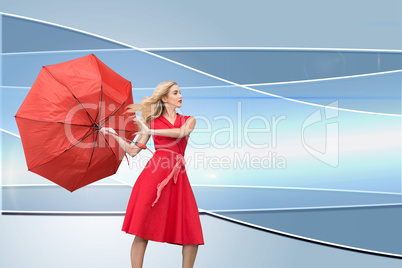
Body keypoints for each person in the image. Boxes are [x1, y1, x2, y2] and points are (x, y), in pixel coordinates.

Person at [100, 81, 204, 268]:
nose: (180, 96)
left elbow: (182, 132)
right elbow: (132, 151)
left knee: (191, 233)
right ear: (164, 98)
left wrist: (150, 130)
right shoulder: (151, 121)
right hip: (153, 176)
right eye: (175, 93)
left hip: (178, 177)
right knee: (142, 230)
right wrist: (113, 134)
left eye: (180, 92)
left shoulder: (188, 119)